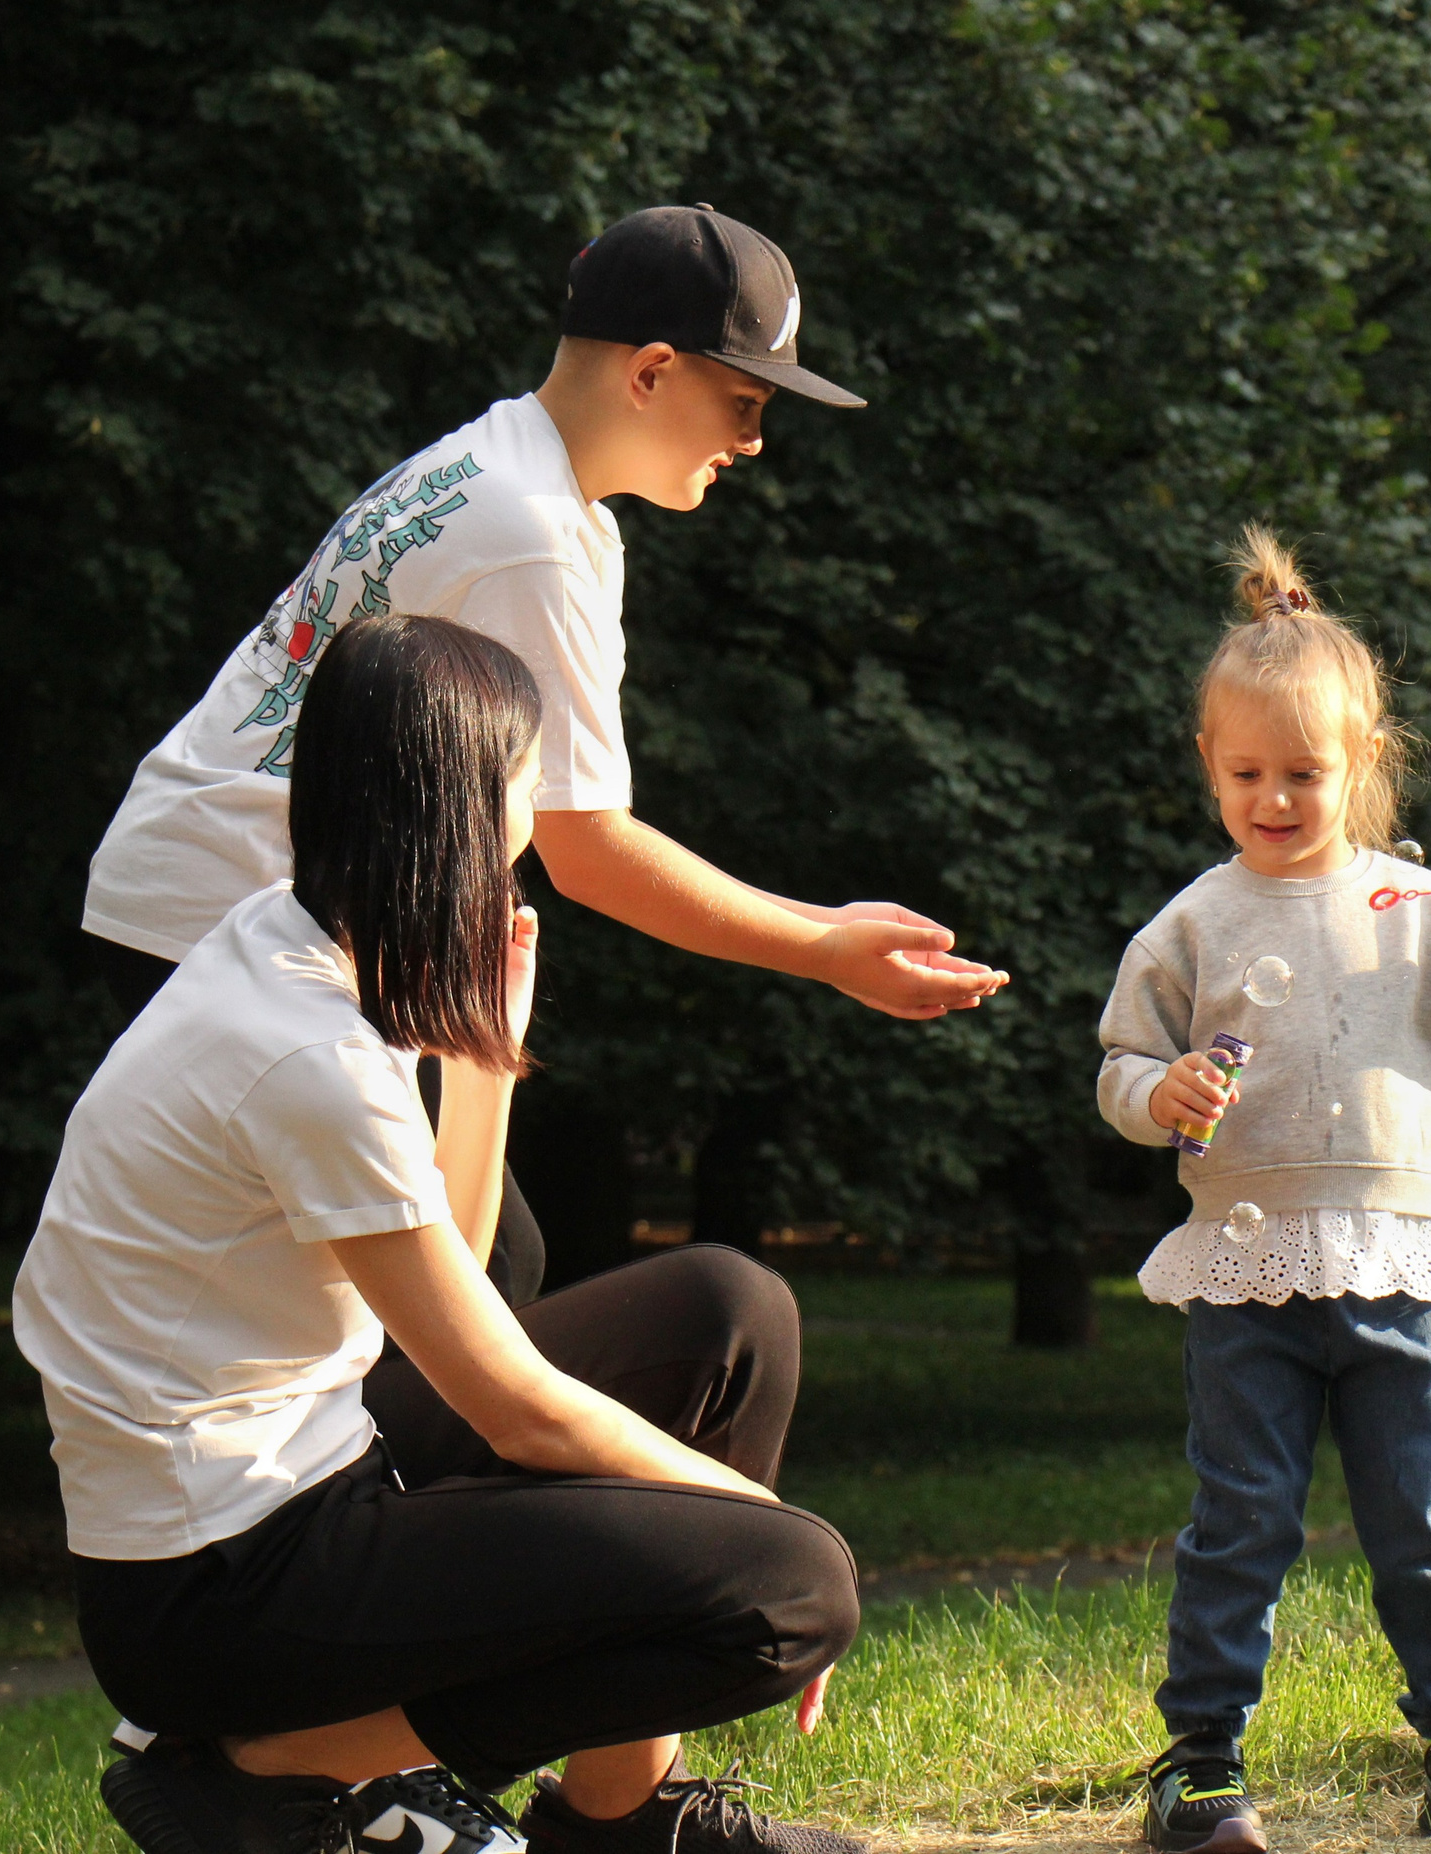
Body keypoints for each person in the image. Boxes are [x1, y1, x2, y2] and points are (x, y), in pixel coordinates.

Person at [16, 613, 863, 1854]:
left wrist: (486, 1059)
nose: (540, 806)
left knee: (727, 1319)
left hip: (304, 1469)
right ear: (463, 808)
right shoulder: (304, 1048)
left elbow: (456, 1288)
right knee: (791, 1592)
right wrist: (761, 1518)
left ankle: (620, 1820)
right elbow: (515, 1404)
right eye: (527, 778)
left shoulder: (305, 943)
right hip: (214, 1591)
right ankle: (264, 1772)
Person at [79, 203, 1005, 1303]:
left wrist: (829, 931)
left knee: (470, 1274)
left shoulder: (499, 462)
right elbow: (587, 853)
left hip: (210, 911)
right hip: (236, 927)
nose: (755, 442)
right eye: (747, 402)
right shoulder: (533, 538)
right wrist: (825, 950)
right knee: (456, 1293)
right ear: (653, 371)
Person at [1093, 530, 1431, 1851]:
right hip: (1247, 1276)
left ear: (1361, 763)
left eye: (1304, 771)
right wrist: (1162, 1093)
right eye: (1246, 771)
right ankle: (1200, 1762)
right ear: (1211, 767)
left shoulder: (1421, 902)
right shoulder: (1192, 922)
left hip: (1404, 1260)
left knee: (1425, 1514)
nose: (1276, 797)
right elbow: (1123, 1069)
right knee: (1238, 1519)